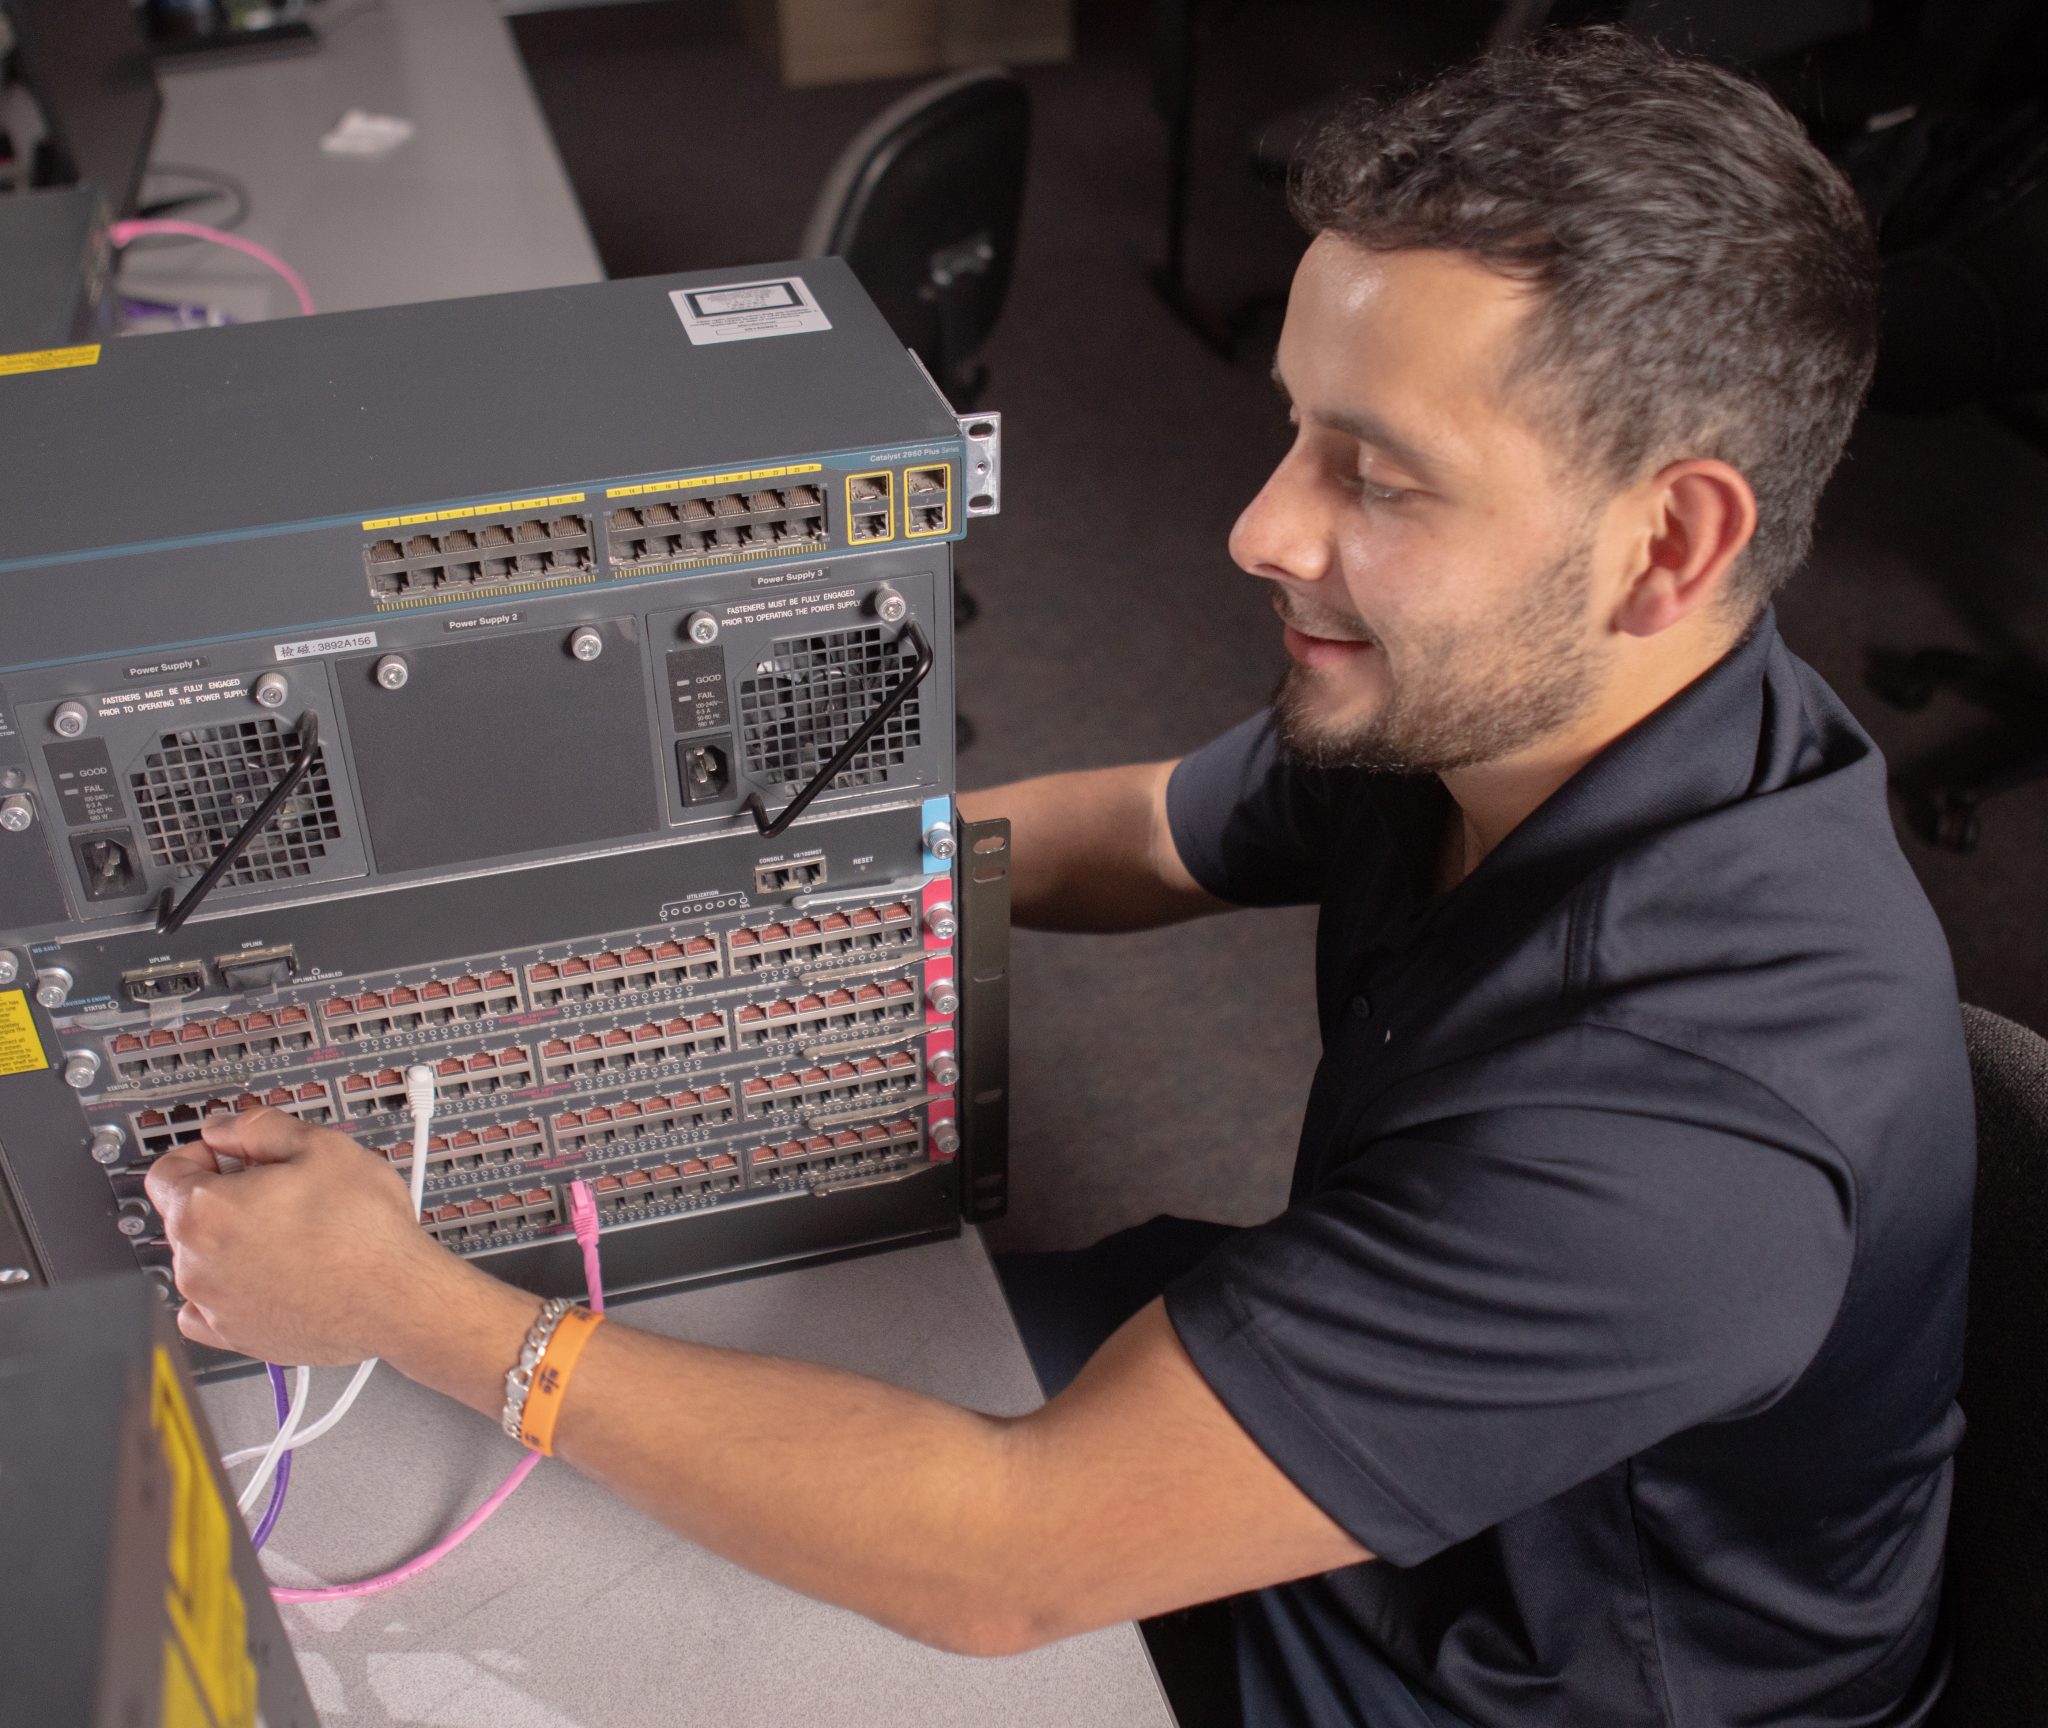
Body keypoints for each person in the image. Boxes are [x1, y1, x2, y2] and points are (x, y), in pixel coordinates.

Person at [145, 28, 1972, 1727]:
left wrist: (414, 1312)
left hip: (1515, 1665)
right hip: (1393, 1401)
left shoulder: (1680, 1138)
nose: (1260, 527)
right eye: (1293, 426)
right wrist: (790, 897)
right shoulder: (1536, 703)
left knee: (603, 1597)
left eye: (1379, 478)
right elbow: (1156, 831)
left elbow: (1008, 1557)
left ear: (1671, 542)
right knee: (716, 1376)